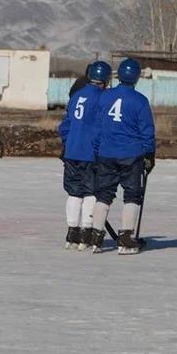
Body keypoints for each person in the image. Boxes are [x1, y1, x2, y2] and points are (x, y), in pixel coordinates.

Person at [89, 58, 156, 254]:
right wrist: (149, 155)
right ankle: (126, 239)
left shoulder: (105, 97)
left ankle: (96, 237)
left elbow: (97, 127)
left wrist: (95, 150)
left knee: (103, 195)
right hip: (131, 155)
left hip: (106, 153)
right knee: (132, 196)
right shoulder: (140, 101)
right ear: (136, 77)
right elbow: (147, 131)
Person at [58, 61, 111, 250]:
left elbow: (65, 125)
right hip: (90, 153)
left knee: (74, 192)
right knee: (90, 192)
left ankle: (71, 231)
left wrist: (68, 142)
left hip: (72, 151)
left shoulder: (77, 95)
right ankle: (86, 232)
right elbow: (102, 128)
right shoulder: (103, 99)